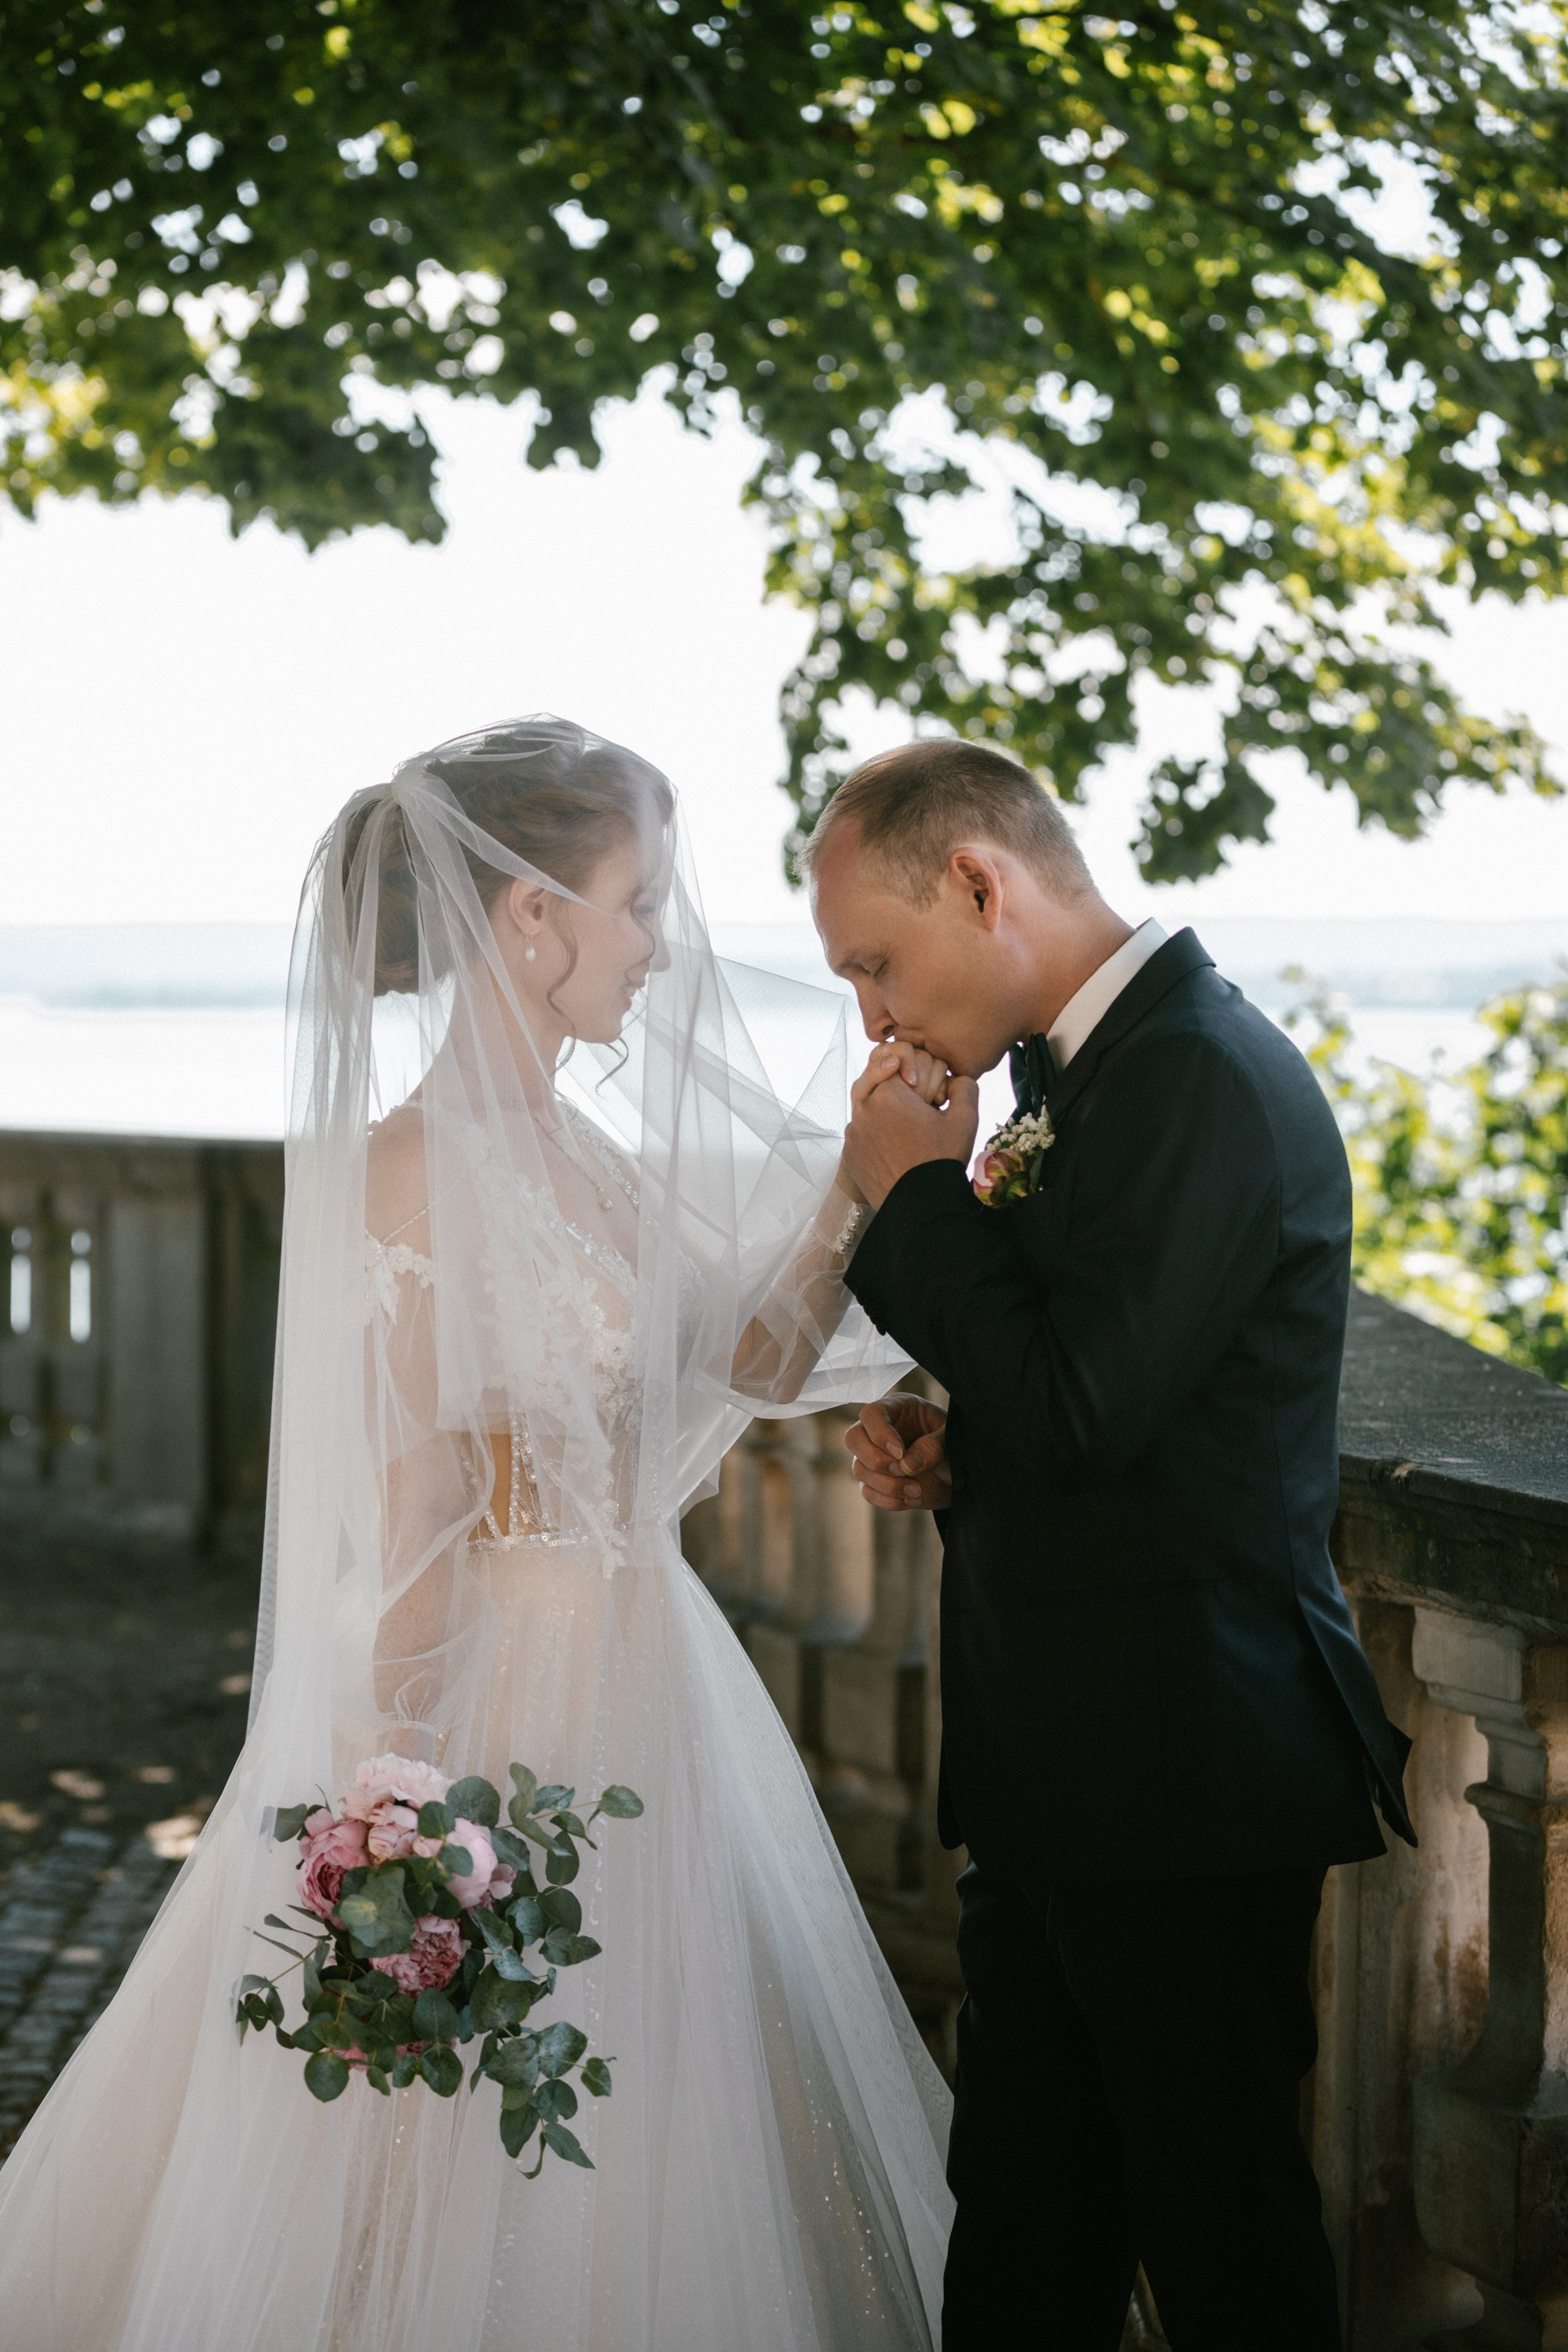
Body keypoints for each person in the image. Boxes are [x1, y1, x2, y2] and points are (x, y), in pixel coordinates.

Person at [0, 719, 953, 2352]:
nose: (661, 948)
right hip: (505, 1710)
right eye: (637, 902)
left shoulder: (589, 1153)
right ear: (528, 917)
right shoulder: (403, 1172)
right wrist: (405, 1823)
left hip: (655, 1671)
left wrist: (862, 1187)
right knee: (453, 2118)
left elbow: (749, 1362)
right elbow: (425, 1513)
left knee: (663, 2088)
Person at [808, 738, 1415, 2352]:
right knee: (1021, 2247)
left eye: (875, 960)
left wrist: (907, 1203)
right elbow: (1090, 1395)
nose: (871, 1014)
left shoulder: (1195, 1074)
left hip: (1185, 1774)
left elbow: (1085, 1407)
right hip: (1070, 1771)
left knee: (1222, 2254)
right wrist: (960, 1449)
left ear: (980, 882)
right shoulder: (1081, 1078)